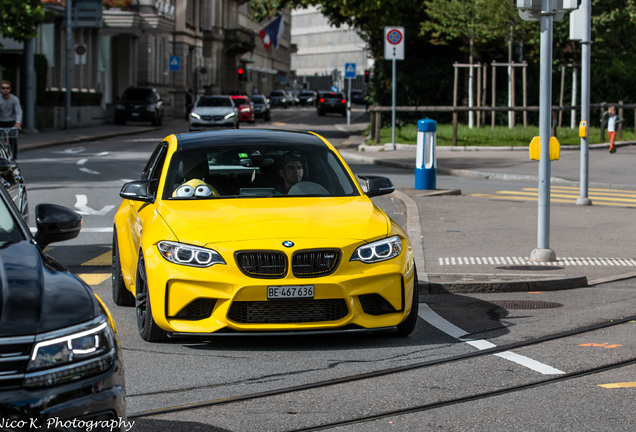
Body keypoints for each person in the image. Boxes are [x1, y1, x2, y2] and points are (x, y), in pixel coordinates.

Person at [0, 80, 22, 158]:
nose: (5, 90)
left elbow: (18, 111)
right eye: (3, 88)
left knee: (13, 141)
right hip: (1, 121)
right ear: (1, 89)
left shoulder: (14, 99)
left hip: (11, 122)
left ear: (10, 89)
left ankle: (14, 158)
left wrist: (18, 123)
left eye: (7, 88)